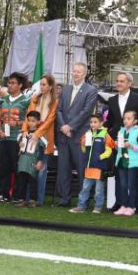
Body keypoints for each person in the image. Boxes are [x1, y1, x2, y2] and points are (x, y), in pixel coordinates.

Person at [104, 71, 138, 213]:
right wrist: (101, 131)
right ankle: (120, 203)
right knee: (119, 174)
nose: (118, 83)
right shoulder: (112, 100)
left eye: (122, 81)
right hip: (117, 142)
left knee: (135, 175)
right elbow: (110, 121)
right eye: (117, 81)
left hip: (133, 143)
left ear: (130, 83)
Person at [56, 63, 98, 207]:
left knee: (82, 170)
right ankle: (64, 199)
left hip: (79, 136)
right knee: (63, 169)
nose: (75, 74)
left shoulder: (91, 90)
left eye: (79, 72)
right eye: (74, 71)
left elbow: (86, 112)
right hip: (63, 135)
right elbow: (59, 110)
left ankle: (83, 200)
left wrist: (70, 126)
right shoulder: (66, 89)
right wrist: (63, 126)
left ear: (84, 74)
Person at [0, 72, 30, 203]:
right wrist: (0, 130)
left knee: (18, 167)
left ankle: (18, 196)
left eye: (13, 83)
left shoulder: (26, 101)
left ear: (20, 85)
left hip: (18, 139)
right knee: (3, 168)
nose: (9, 85)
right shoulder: (3, 100)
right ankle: (3, 194)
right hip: (4, 139)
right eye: (9, 83)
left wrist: (19, 123)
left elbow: (31, 121)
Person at [22, 74, 58, 206]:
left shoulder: (54, 101)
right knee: (29, 168)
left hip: (45, 139)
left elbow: (50, 120)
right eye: (40, 84)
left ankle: (38, 200)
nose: (41, 87)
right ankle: (27, 198)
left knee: (41, 170)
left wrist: (37, 134)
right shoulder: (35, 98)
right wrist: (25, 131)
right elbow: (28, 116)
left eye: (44, 84)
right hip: (31, 138)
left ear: (50, 86)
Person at [70, 114, 116, 213]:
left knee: (99, 189)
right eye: (91, 122)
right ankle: (81, 206)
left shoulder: (105, 135)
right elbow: (84, 151)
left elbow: (109, 151)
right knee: (85, 188)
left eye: (95, 122)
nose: (92, 124)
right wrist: (82, 145)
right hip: (89, 167)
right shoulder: (87, 134)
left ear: (101, 123)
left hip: (99, 167)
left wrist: (98, 158)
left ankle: (98, 207)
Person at [113, 110, 138, 216]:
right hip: (121, 161)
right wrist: (116, 145)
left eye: (129, 118)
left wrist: (131, 146)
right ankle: (123, 205)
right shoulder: (121, 131)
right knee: (123, 185)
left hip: (133, 162)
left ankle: (132, 206)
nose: (126, 121)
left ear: (135, 121)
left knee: (131, 185)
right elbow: (118, 147)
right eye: (124, 118)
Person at [12, 111, 47, 207]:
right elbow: (18, 143)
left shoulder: (40, 135)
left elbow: (43, 147)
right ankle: (21, 199)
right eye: (29, 120)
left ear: (38, 122)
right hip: (23, 159)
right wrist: (20, 143)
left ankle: (33, 199)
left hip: (33, 159)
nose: (31, 123)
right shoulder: (23, 133)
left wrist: (40, 160)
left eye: (33, 121)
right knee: (21, 180)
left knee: (33, 180)